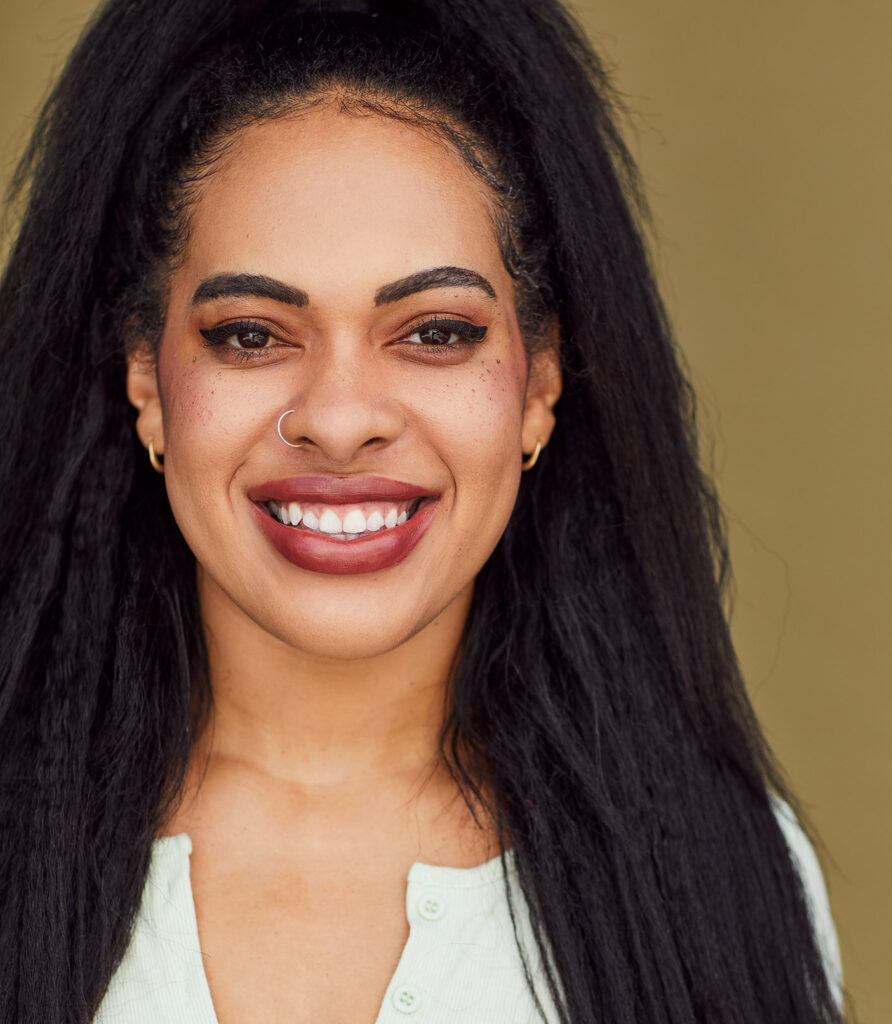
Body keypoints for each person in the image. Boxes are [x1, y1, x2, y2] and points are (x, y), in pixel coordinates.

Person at [0, 0, 845, 1021]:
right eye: (252, 335)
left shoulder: (724, 877)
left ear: (539, 382)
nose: (341, 419)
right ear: (146, 379)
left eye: (436, 332)